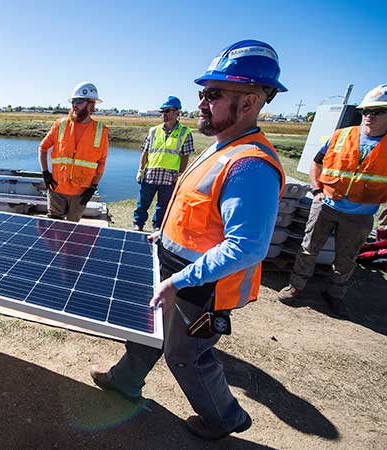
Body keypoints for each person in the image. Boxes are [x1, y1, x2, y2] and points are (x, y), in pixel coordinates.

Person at [89, 40, 288, 440]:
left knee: (186, 355)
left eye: (213, 95)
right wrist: (164, 235)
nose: (201, 102)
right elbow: (196, 210)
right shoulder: (220, 148)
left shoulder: (250, 164)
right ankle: (125, 381)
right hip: (174, 266)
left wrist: (178, 281)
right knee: (147, 328)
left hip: (201, 283)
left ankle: (224, 419)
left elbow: (246, 247)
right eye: (203, 93)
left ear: (248, 103)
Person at [278, 83, 387, 318]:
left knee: (346, 259)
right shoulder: (342, 135)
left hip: (360, 214)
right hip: (326, 205)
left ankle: (335, 295)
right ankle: (296, 287)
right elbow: (316, 162)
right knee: (308, 248)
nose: (369, 116)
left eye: (377, 112)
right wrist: (317, 189)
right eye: (366, 111)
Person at [39, 82, 109, 222]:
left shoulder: (101, 131)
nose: (74, 105)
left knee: (73, 230)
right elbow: (43, 148)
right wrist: (46, 173)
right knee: (53, 226)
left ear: (91, 104)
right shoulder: (61, 125)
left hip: (81, 194)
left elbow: (101, 162)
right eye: (73, 101)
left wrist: (93, 187)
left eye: (79, 101)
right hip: (57, 190)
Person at [133, 96, 194, 231]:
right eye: (163, 111)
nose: (164, 114)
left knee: (163, 206)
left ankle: (158, 227)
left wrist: (180, 175)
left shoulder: (185, 133)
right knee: (142, 203)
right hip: (150, 175)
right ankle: (138, 224)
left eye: (167, 110)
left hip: (169, 178)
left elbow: (185, 156)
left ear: (177, 112)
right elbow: (145, 152)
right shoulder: (153, 131)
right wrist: (140, 170)